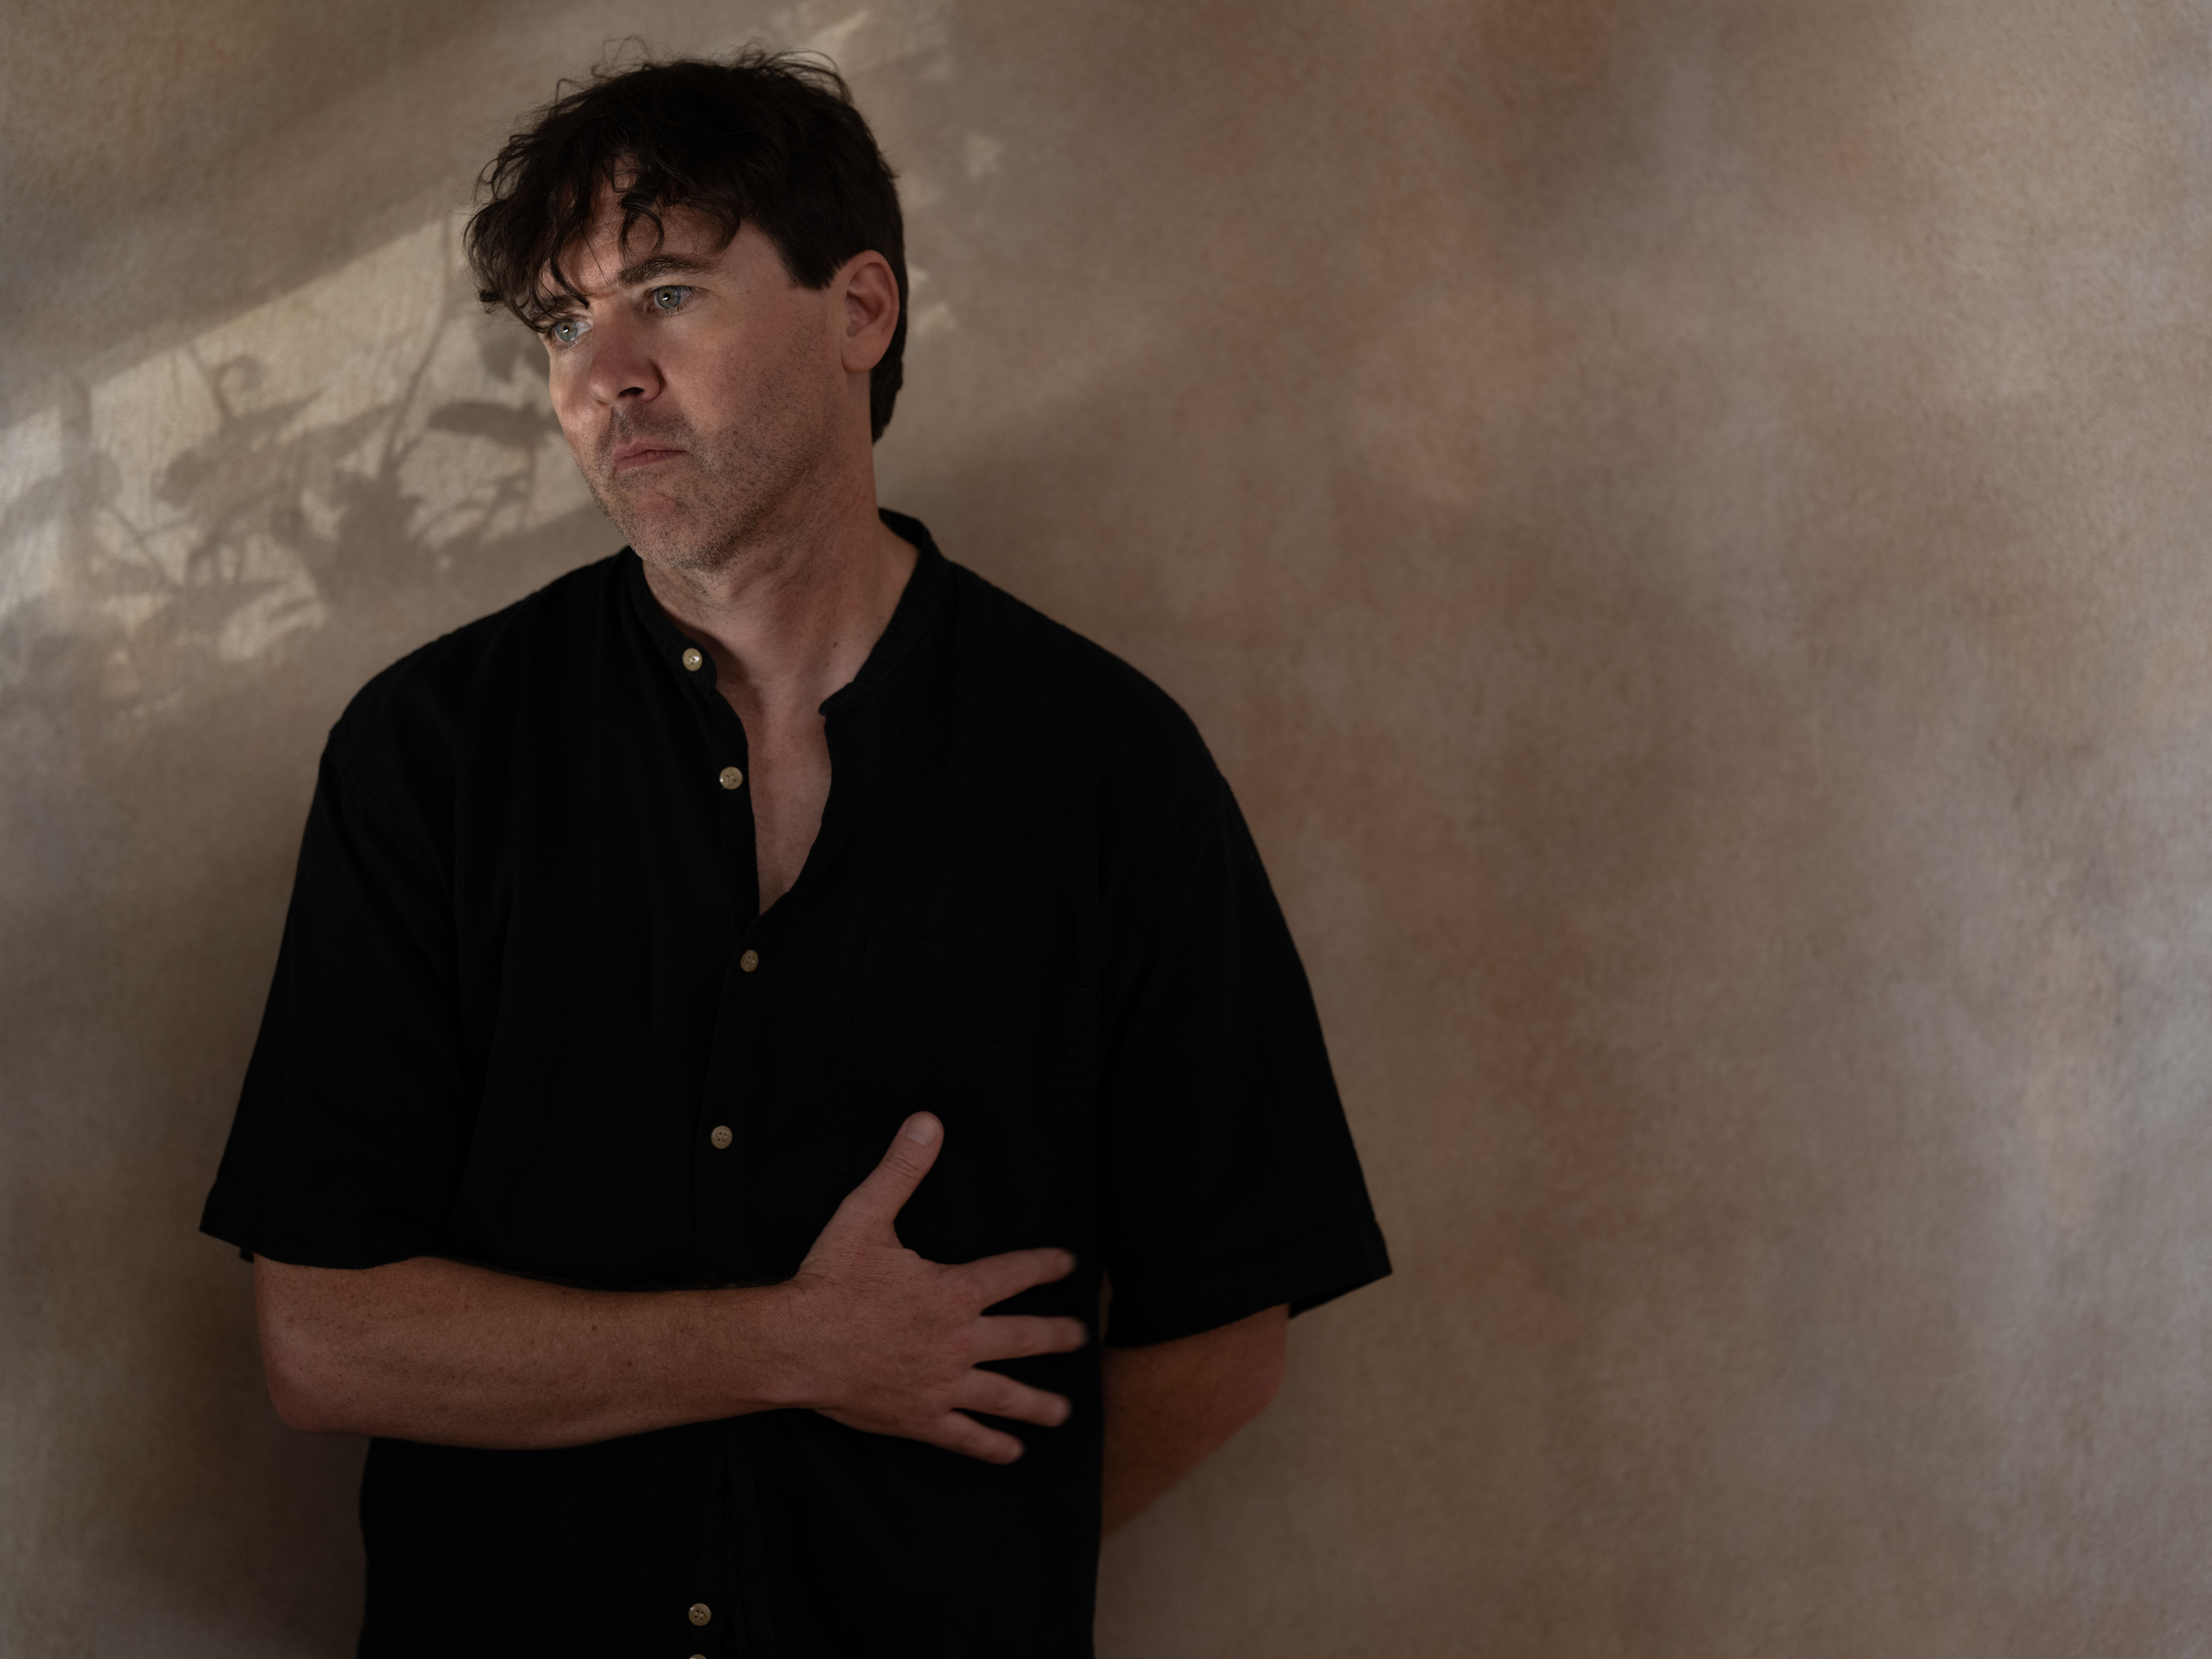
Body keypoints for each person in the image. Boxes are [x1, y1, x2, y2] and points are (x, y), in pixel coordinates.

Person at [201, 50, 1388, 1658]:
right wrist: (797, 1351)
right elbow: (327, 1337)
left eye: (667, 293)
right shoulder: (432, 753)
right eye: (561, 324)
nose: (599, 372)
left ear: (863, 312)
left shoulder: (1109, 768)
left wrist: (948, 1562)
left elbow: (1226, 1336)